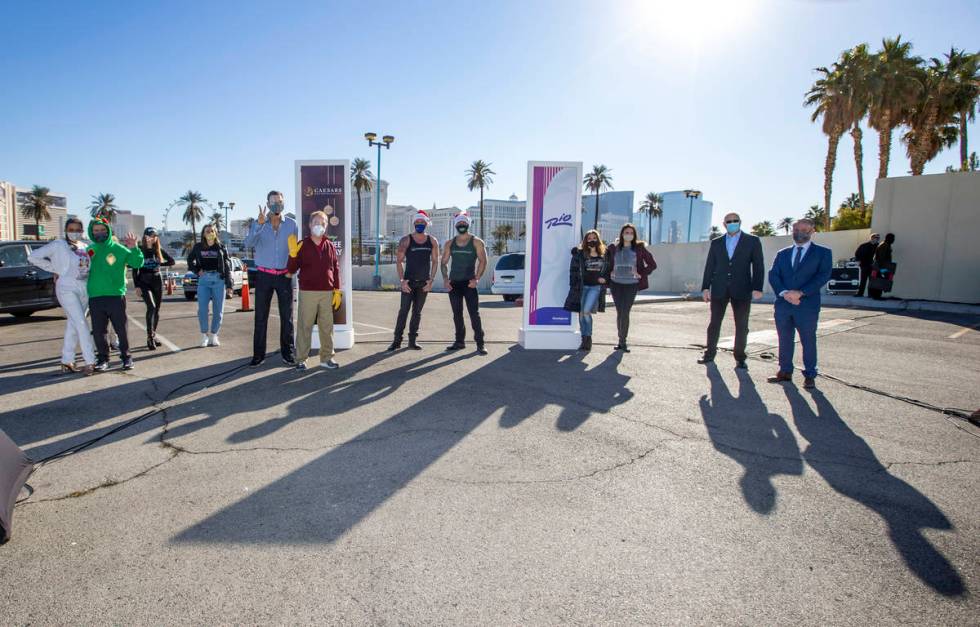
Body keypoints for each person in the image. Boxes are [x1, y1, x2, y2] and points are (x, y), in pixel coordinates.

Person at [767, 218, 833, 390]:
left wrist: (801, 293)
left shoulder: (823, 253)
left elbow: (823, 276)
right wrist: (784, 293)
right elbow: (774, 275)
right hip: (783, 304)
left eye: (804, 230)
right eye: (796, 230)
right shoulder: (783, 254)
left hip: (807, 305)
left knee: (808, 340)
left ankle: (810, 375)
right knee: (784, 339)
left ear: (812, 231)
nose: (799, 233)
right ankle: (785, 371)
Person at [27, 217, 97, 375]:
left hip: (84, 288)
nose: (74, 233)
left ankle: (67, 360)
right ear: (66, 231)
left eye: (78, 230)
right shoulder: (58, 245)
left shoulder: (85, 247)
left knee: (73, 324)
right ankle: (90, 361)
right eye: (71, 230)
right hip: (66, 287)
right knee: (80, 323)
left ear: (82, 231)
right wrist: (55, 269)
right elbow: (33, 257)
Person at [697, 212, 765, 369]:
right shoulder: (716, 243)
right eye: (729, 221)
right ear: (724, 224)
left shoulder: (752, 241)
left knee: (742, 324)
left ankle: (740, 357)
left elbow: (758, 265)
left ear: (740, 222)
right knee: (714, 323)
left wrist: (757, 287)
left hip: (742, 288)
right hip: (719, 288)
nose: (732, 223)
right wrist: (706, 287)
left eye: (735, 221)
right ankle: (709, 354)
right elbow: (710, 266)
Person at [245, 190, 299, 367]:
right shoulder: (258, 223)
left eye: (280, 201)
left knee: (287, 317)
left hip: (285, 276)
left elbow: (296, 251)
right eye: (273, 201)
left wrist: (293, 271)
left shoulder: (292, 224)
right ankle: (258, 355)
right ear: (267, 204)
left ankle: (288, 353)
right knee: (260, 317)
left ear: (283, 203)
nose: (277, 204)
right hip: (263, 276)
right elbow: (248, 244)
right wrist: (259, 226)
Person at [86, 218, 143, 371]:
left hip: (115, 296)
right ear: (91, 232)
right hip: (95, 296)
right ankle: (103, 359)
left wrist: (134, 248)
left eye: (102, 230)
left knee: (121, 330)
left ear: (109, 231)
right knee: (99, 331)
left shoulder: (119, 249)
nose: (99, 233)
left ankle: (127, 357)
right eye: (96, 230)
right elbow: (78, 268)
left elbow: (137, 263)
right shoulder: (89, 251)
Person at [287, 211, 342, 370]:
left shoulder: (330, 245)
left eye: (323, 223)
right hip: (308, 292)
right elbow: (291, 269)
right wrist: (292, 255)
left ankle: (327, 359)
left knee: (327, 327)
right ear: (310, 225)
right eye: (317, 222)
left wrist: (337, 290)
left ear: (326, 226)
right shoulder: (302, 245)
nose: (320, 225)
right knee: (305, 326)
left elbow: (335, 269)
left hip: (327, 293)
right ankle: (301, 359)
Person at [388, 210, 440, 351]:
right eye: (417, 222)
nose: (419, 224)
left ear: (426, 224)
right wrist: (402, 281)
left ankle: (412, 342)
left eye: (422, 222)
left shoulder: (432, 241)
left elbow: (435, 262)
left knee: (417, 312)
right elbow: (399, 261)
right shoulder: (406, 240)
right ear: (414, 223)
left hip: (424, 283)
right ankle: (396, 341)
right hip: (409, 283)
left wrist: (431, 280)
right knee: (403, 311)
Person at [440, 212, 488, 355]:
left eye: (464, 223)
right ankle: (459, 342)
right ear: (456, 225)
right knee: (457, 314)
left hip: (469, 284)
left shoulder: (476, 242)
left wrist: (477, 278)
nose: (461, 225)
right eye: (459, 224)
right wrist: (445, 279)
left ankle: (480, 344)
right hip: (454, 283)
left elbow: (483, 261)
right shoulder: (450, 243)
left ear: (468, 224)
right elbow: (444, 263)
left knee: (474, 314)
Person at [604, 223, 656, 352]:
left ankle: (623, 341)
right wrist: (608, 273)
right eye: (626, 232)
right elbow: (604, 263)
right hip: (616, 284)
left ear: (634, 235)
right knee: (619, 312)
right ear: (622, 234)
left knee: (625, 312)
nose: (628, 235)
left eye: (631, 233)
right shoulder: (612, 248)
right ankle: (620, 340)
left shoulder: (639, 248)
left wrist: (640, 273)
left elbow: (652, 264)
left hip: (631, 285)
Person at [187, 224, 233, 348]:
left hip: (219, 280)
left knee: (218, 311)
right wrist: (197, 271)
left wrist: (229, 284)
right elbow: (189, 260)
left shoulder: (221, 247)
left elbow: (227, 266)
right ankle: (204, 335)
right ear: (203, 234)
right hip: (204, 280)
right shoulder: (198, 247)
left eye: (212, 231)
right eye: (207, 231)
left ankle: (214, 335)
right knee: (202, 310)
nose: (210, 233)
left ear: (216, 233)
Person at [564, 229, 610, 352]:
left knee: (586, 312)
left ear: (598, 239)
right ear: (585, 241)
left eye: (594, 238)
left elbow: (609, 269)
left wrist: (605, 279)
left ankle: (588, 338)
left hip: (595, 288)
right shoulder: (580, 254)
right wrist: (573, 285)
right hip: (582, 287)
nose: (592, 240)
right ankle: (584, 340)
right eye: (589, 238)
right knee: (581, 314)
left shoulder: (605, 254)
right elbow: (573, 270)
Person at [132, 227, 175, 350]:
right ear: (145, 237)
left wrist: (160, 264)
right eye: (149, 235)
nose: (152, 238)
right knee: (151, 307)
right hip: (144, 281)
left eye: (154, 236)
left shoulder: (158, 250)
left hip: (157, 280)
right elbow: (135, 269)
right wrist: (137, 286)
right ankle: (149, 337)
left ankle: (154, 335)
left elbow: (171, 261)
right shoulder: (140, 250)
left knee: (157, 310)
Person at [868, 233, 896, 301]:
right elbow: (881, 258)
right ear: (888, 238)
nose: (893, 240)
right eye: (892, 239)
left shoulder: (886, 245)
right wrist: (883, 269)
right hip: (880, 267)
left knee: (881, 280)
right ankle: (876, 296)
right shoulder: (884, 245)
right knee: (879, 280)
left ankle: (877, 295)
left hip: (881, 266)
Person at [853, 233, 880, 297]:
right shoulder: (864, 245)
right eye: (876, 238)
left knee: (872, 281)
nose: (877, 239)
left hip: (873, 267)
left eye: (878, 238)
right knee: (863, 280)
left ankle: (870, 295)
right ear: (872, 238)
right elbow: (857, 254)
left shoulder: (878, 247)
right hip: (864, 266)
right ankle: (860, 293)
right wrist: (859, 260)